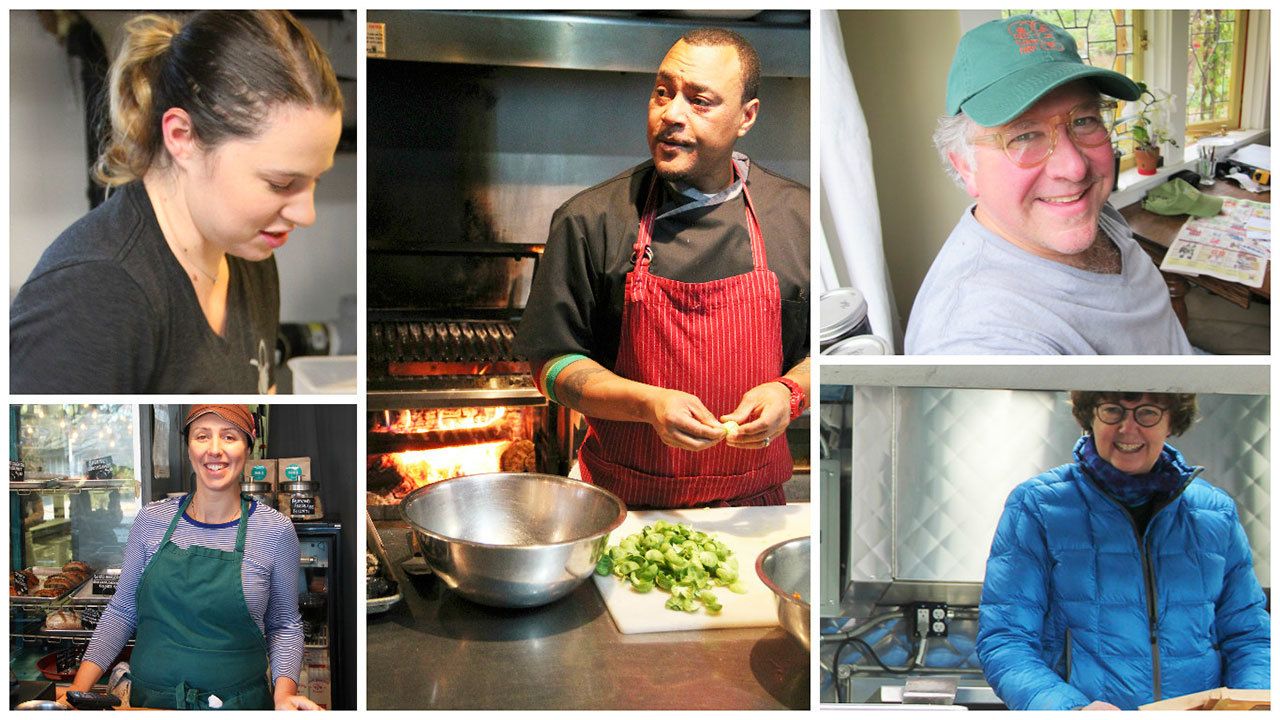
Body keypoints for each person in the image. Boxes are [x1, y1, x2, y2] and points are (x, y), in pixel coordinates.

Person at [515, 28, 810, 509]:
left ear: (746, 117)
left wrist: (790, 392)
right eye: (662, 92)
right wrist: (647, 405)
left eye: (700, 101)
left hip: (754, 513)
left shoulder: (797, 218)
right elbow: (550, 366)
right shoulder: (591, 219)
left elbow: (831, 353)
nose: (671, 114)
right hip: (623, 510)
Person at [11, 10, 344, 392]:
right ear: (182, 136)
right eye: (281, 183)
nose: (307, 213)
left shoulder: (249, 258)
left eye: (314, 180)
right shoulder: (93, 292)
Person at [905, 15, 1193, 355]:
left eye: (1084, 121)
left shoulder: (1082, 209)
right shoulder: (976, 336)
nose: (1074, 168)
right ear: (966, 166)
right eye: (1024, 135)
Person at [977, 391, 1269, 710]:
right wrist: (1069, 709)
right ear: (1090, 416)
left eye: (1148, 413)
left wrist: (1248, 705)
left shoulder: (1215, 513)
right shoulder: (1038, 505)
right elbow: (1006, 640)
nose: (1128, 429)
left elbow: (1251, 637)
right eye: (1112, 410)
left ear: (1171, 420)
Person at [65, 405, 318, 710]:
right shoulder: (150, 520)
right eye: (202, 436)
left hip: (239, 705)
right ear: (188, 448)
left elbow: (284, 625)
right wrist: (76, 693)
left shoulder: (275, 530)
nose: (215, 450)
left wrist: (283, 695)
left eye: (229, 437)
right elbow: (121, 611)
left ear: (248, 448)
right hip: (150, 705)